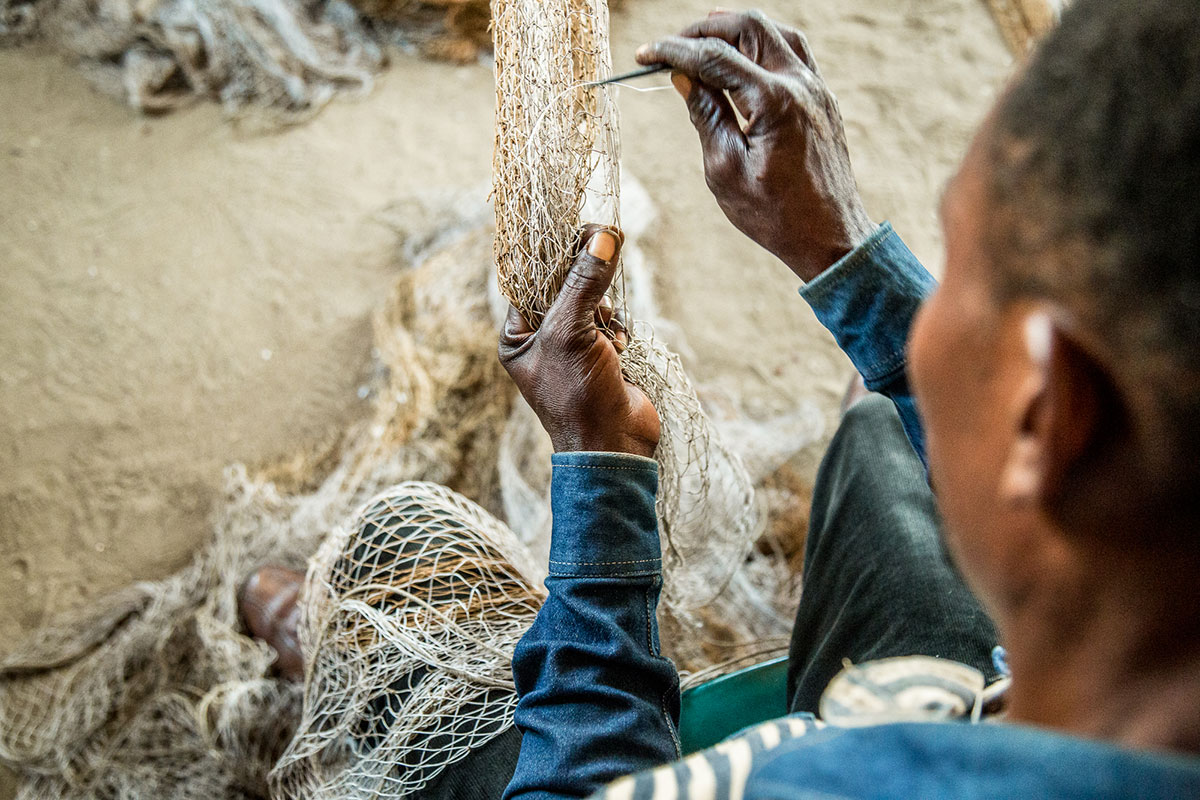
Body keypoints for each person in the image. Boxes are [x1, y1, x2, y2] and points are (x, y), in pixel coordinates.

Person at [242, 0, 1200, 796]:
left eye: (960, 269)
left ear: (1054, 413)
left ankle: (360, 670)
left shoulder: (827, 787)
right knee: (882, 437)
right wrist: (842, 252)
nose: (936, 300)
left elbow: (586, 781)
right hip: (1021, 675)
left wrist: (598, 468)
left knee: (397, 573)